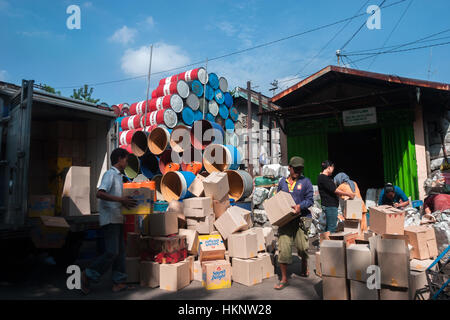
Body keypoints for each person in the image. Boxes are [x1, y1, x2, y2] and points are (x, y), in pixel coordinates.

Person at [81, 148, 137, 294]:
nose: (126, 162)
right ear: (119, 159)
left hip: (117, 218)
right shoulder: (110, 174)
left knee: (120, 252)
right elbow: (99, 193)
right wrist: (121, 200)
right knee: (112, 252)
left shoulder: (119, 176)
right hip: (110, 219)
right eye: (125, 159)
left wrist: (125, 203)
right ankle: (88, 274)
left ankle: (119, 282)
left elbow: (117, 198)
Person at [274, 156, 314, 290]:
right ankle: (284, 278)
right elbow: (278, 197)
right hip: (285, 220)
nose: (298, 171)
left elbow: (310, 200)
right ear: (289, 168)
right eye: (295, 169)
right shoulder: (282, 182)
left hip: (301, 219)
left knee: (302, 247)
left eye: (300, 169)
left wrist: (300, 206)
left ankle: (304, 263)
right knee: (284, 248)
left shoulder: (306, 182)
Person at [317, 160, 356, 232]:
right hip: (330, 206)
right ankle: (329, 243)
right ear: (329, 168)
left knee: (328, 227)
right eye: (332, 168)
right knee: (331, 228)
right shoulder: (323, 178)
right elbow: (334, 190)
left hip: (329, 205)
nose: (333, 170)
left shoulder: (324, 178)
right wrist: (348, 194)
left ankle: (324, 241)